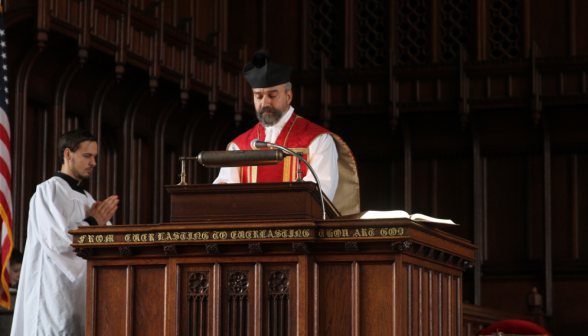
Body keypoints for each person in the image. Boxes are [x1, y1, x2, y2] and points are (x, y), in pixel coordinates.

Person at [214, 50, 360, 215]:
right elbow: (225, 193)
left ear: (289, 96)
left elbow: (320, 194)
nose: (265, 102)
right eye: (259, 96)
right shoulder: (238, 146)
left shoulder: (318, 140)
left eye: (272, 95)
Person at [11, 129, 118, 336]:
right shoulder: (49, 190)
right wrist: (92, 223)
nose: (93, 163)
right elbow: (57, 240)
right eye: (87, 156)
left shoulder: (87, 198)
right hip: (53, 291)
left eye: (94, 157)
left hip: (82, 294)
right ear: (68, 154)